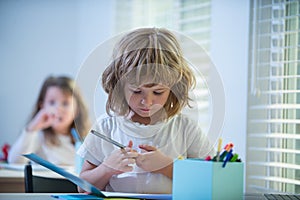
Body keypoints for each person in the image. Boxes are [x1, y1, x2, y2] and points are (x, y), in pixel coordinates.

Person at [77, 28, 215, 194]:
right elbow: (81, 186)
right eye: (136, 91)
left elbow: (208, 181)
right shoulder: (106, 128)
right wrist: (107, 168)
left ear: (173, 88)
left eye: (158, 92)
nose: (147, 102)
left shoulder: (186, 129)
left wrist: (167, 168)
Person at [8, 75, 90, 166]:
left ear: (77, 109)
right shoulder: (38, 136)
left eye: (65, 103)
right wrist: (32, 128)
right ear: (42, 107)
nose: (58, 109)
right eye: (52, 103)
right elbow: (15, 161)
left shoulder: (85, 140)